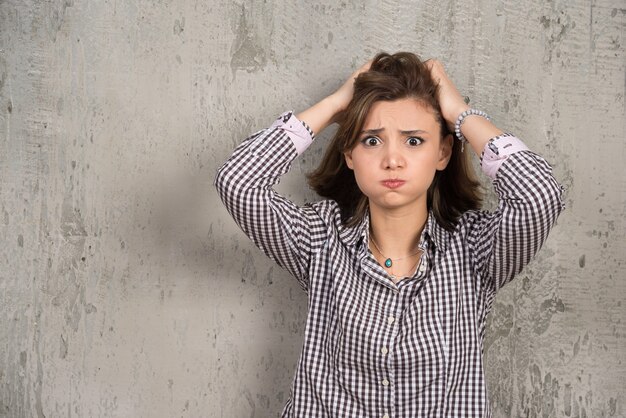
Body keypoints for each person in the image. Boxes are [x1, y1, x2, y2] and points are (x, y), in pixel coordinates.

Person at [214, 52, 564, 417]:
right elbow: (238, 182)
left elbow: (539, 196)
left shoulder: (476, 250)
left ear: (442, 152)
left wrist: (460, 114)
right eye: (371, 141)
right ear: (349, 153)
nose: (392, 159)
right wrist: (335, 106)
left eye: (414, 141)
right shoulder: (318, 239)